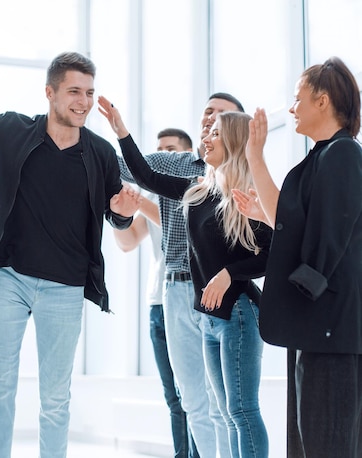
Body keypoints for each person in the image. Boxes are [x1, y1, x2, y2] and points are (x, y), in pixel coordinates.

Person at [0, 11, 140, 458]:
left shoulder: (99, 153)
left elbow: (116, 217)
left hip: (65, 287)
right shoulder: (9, 129)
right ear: (50, 92)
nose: (83, 101)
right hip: (8, 279)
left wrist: (121, 215)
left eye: (90, 93)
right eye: (74, 91)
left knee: (55, 399)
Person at [100, 97, 272, 457]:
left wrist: (229, 274)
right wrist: (121, 131)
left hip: (239, 314)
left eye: (215, 134)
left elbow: (273, 254)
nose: (205, 138)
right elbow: (146, 176)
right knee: (221, 412)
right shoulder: (198, 189)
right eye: (207, 132)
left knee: (240, 411)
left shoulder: (249, 196)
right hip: (209, 318)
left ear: (235, 143)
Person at [233, 57, 362, 458]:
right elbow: (302, 230)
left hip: (332, 333)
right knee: (311, 442)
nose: (291, 110)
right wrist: (266, 213)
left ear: (322, 101)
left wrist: (255, 157)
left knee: (327, 444)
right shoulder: (326, 156)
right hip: (319, 330)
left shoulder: (342, 155)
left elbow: (326, 243)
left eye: (297, 99)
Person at [113, 128, 199, 458]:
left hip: (189, 297)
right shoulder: (148, 195)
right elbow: (127, 242)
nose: (161, 158)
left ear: (187, 156)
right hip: (158, 302)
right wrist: (120, 214)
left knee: (193, 393)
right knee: (173, 397)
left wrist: (141, 202)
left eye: (170, 151)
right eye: (157, 151)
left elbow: (179, 217)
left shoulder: (194, 187)